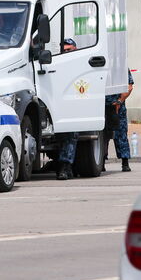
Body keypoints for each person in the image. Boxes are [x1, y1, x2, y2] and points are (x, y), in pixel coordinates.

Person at [55, 38, 79, 180]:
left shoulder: (80, 64)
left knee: (70, 135)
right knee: (60, 137)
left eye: (69, 50)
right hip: (58, 105)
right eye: (64, 50)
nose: (66, 53)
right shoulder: (58, 64)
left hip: (73, 105)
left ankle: (65, 166)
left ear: (75, 49)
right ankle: (62, 165)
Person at [105, 67, 135, 171]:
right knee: (103, 135)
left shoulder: (121, 66)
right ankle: (102, 163)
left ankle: (125, 162)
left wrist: (119, 101)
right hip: (102, 107)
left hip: (117, 107)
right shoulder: (99, 64)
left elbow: (129, 87)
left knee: (121, 134)